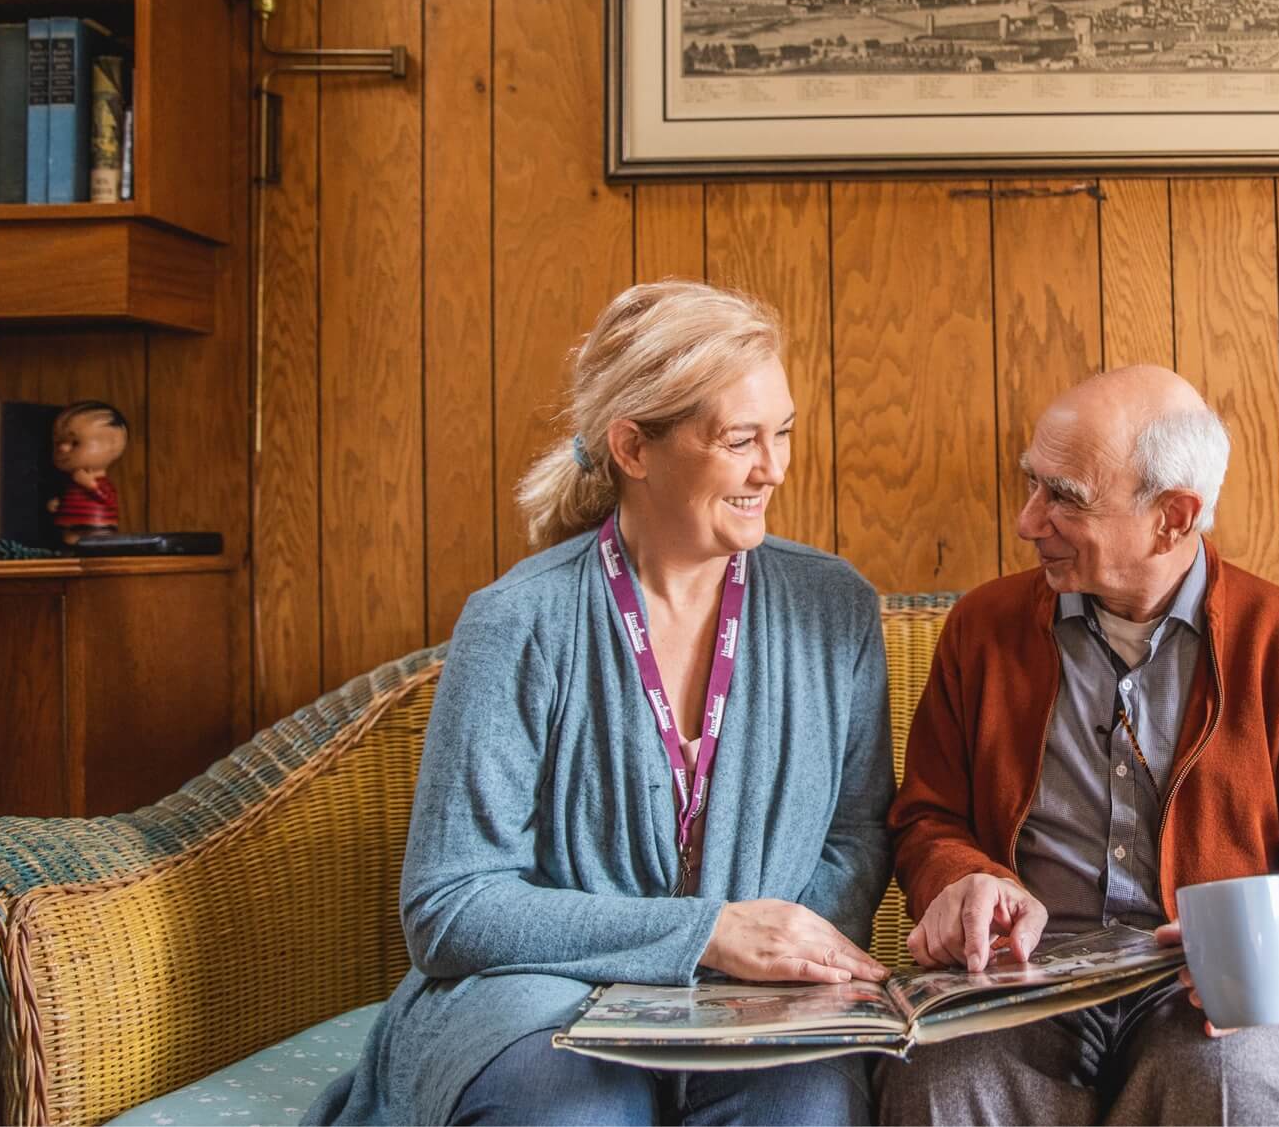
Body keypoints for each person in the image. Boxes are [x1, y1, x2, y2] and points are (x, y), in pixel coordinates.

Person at [308, 281, 894, 1126]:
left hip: (757, 1006)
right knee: (574, 1106)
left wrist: (783, 951)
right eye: (739, 440)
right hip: (536, 1003)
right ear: (633, 447)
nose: (774, 467)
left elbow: (856, 831)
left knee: (806, 1102)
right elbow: (451, 906)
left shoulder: (834, 607)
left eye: (783, 433)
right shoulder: (518, 620)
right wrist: (704, 934)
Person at [881, 365, 1279, 1126]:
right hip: (1025, 981)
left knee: (1231, 1081)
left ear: (1173, 517)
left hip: (1210, 991)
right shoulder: (981, 632)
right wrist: (960, 877)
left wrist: (1273, 966)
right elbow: (926, 818)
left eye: (1064, 496)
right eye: (1034, 483)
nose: (1028, 519)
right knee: (942, 1078)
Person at [46, 399, 129, 544]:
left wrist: (91, 485)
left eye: (75, 442)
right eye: (57, 442)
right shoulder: (71, 484)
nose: (62, 449)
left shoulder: (100, 483)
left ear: (112, 444)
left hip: (97, 528)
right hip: (68, 528)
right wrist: (58, 504)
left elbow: (107, 500)